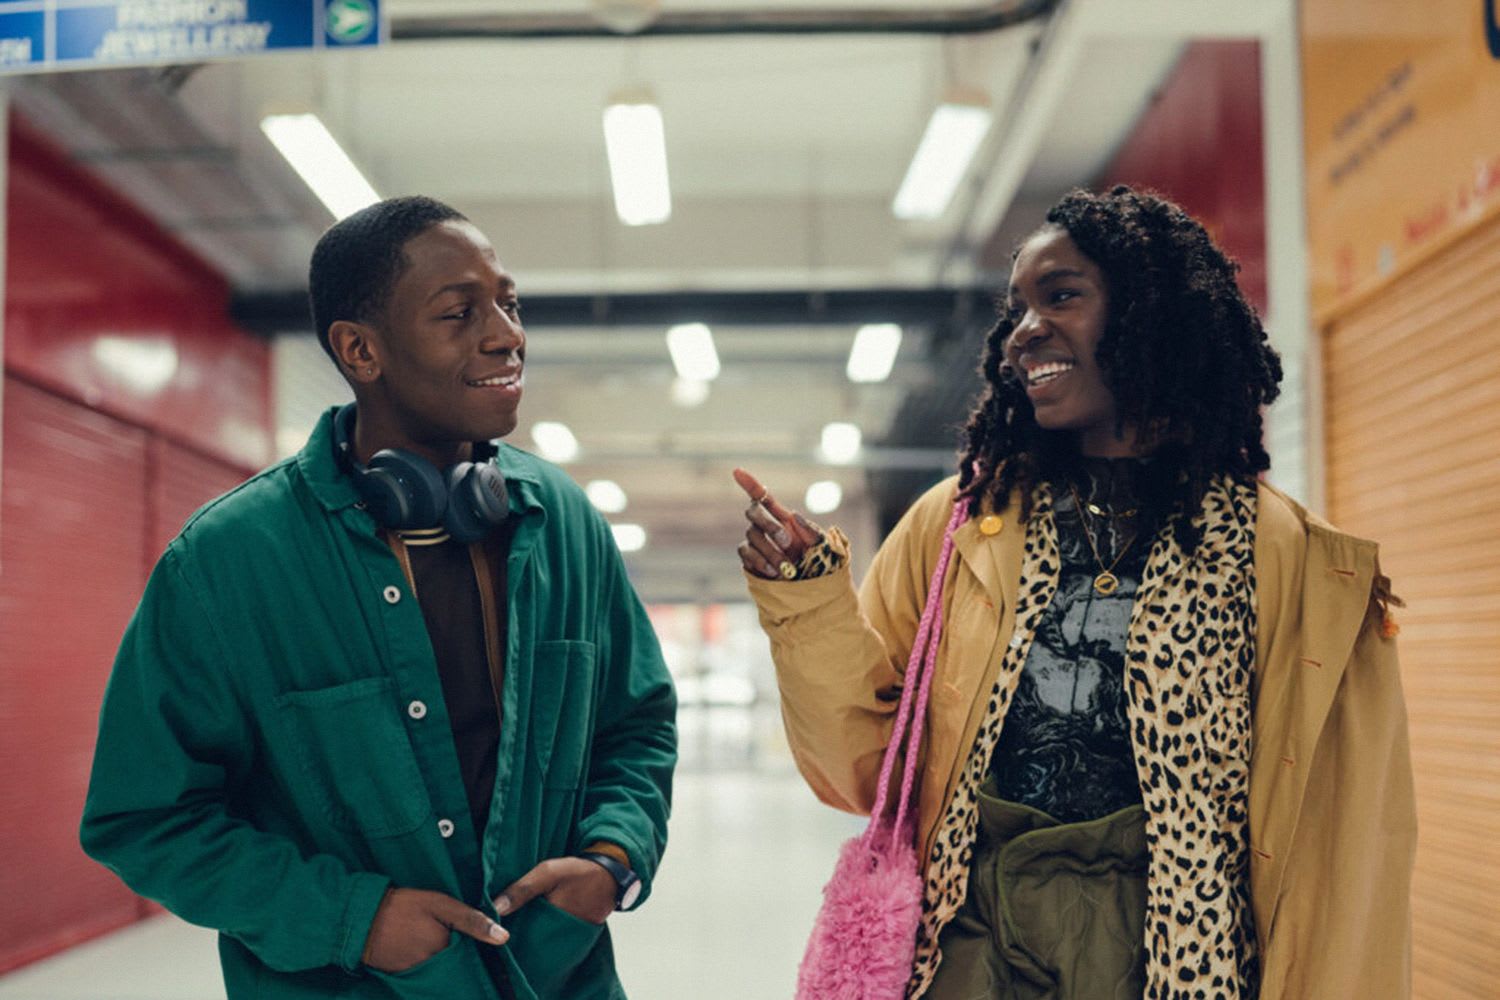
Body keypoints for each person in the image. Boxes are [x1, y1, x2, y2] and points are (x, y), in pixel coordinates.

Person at [735, 186, 1415, 999]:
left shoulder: (1294, 563)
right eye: (1018, 308)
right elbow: (861, 769)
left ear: (1150, 314)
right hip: (972, 937)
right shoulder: (954, 526)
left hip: (1175, 953)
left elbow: (1351, 850)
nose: (1026, 332)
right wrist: (806, 601)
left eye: (1061, 297)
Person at [81, 196, 677, 1000]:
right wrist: (352, 920)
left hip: (556, 979)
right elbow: (145, 818)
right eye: (459, 313)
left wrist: (613, 858)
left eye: (508, 302)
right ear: (361, 350)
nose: (507, 334)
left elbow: (637, 722)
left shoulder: (561, 521)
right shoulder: (229, 561)